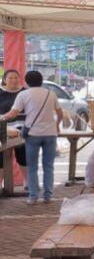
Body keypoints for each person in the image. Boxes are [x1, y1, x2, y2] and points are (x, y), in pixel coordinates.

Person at [1, 70, 63, 204]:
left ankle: (33, 197)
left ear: (26, 81)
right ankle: (47, 196)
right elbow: (59, 113)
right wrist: (57, 126)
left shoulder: (24, 94)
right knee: (48, 166)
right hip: (50, 134)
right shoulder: (50, 94)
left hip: (32, 135)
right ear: (41, 80)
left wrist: (2, 118)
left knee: (32, 166)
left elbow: (12, 113)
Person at [0, 70, 27, 189]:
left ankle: (27, 182)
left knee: (24, 154)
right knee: (1, 156)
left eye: (16, 77)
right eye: (10, 78)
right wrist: (5, 128)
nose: (14, 80)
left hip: (23, 129)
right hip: (2, 128)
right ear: (5, 79)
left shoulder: (25, 92)